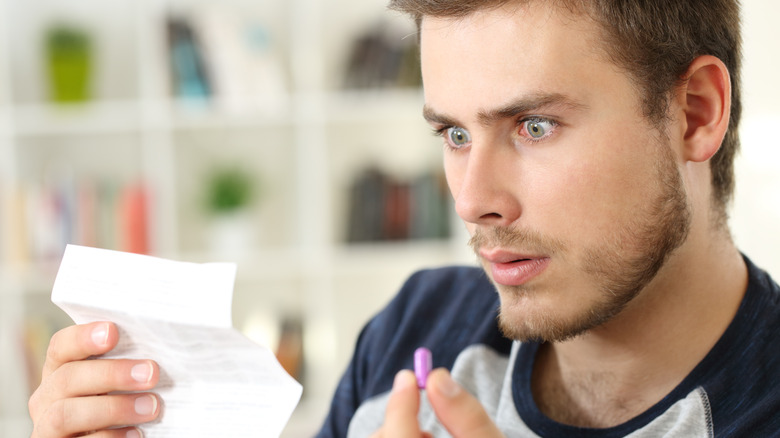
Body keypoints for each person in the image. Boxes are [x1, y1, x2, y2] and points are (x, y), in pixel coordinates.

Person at [28, 0, 779, 437]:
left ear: (694, 114)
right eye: (453, 134)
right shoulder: (415, 327)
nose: (472, 198)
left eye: (534, 126)